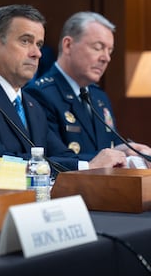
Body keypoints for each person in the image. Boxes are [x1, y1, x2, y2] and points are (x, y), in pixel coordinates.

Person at [0, 4, 127, 171]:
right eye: (25, 41)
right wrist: (87, 166)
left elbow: (62, 155)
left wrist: (114, 159)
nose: (37, 53)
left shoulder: (31, 104)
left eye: (39, 44)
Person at [25, 11, 151, 164]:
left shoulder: (99, 97)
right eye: (98, 47)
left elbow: (107, 145)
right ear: (68, 45)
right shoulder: (39, 94)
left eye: (109, 50)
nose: (106, 58)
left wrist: (126, 150)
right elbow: (52, 158)